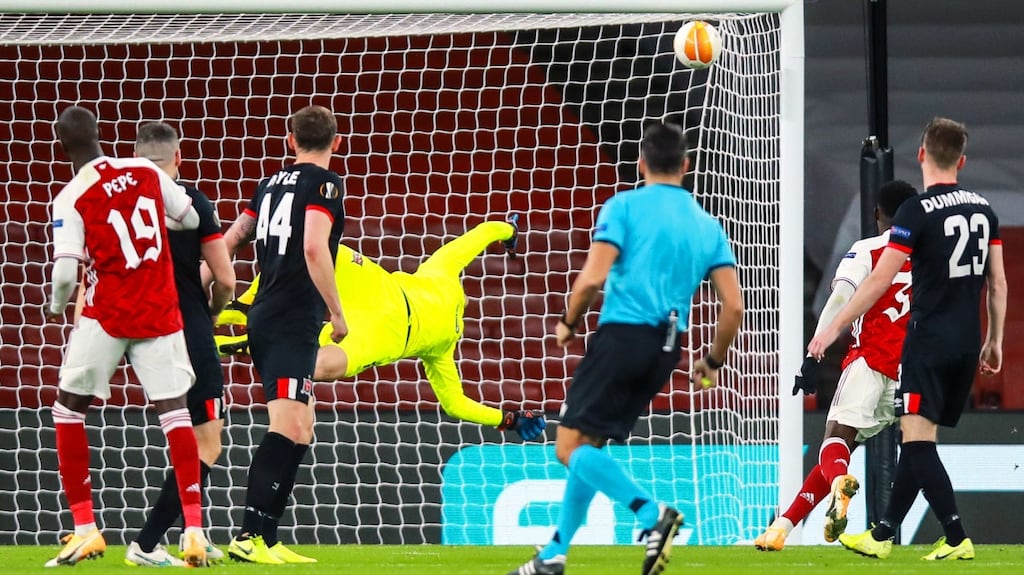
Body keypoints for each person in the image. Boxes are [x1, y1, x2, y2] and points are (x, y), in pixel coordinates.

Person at [508, 122, 744, 575]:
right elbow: (732, 307)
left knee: (567, 447)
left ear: (641, 163)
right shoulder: (707, 225)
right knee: (588, 444)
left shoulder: (625, 206)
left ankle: (651, 514)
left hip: (623, 337)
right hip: (667, 350)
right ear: (686, 166)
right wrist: (711, 361)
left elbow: (592, 278)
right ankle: (554, 554)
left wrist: (568, 321)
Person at [809, 117, 1006, 561]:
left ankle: (931, 536)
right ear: (963, 159)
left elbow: (879, 279)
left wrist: (836, 324)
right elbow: (998, 284)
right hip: (966, 344)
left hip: (925, 343)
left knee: (916, 445)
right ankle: (907, 535)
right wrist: (994, 341)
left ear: (921, 155)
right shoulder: (983, 210)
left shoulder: (917, 211)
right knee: (919, 442)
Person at [214, 218, 547, 452]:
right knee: (313, 366)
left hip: (375, 290)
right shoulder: (445, 347)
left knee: (325, 250)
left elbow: (480, 233)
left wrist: (510, 230)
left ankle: (243, 305)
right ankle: (235, 343)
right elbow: (456, 405)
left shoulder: (442, 272)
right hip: (380, 337)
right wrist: (507, 419)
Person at [43, 107, 209, 567]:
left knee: (68, 408)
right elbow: (191, 218)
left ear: (63, 148)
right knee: (175, 413)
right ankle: (193, 530)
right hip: (160, 308)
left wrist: (55, 307)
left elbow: (63, 275)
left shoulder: (71, 196)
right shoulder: (142, 169)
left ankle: (85, 529)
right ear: (102, 135)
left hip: (109, 313)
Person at [755, 180, 918, 551]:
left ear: (878, 213)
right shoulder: (927, 255)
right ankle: (782, 526)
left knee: (834, 440)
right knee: (846, 447)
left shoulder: (869, 250)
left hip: (870, 360)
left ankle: (837, 486)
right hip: (911, 370)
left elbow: (842, 296)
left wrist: (816, 352)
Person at [220, 105, 349, 565]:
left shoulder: (269, 183)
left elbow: (234, 236)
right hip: (291, 317)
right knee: (287, 425)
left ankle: (268, 537)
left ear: (290, 141)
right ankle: (247, 536)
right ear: (338, 142)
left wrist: (199, 284)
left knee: (303, 426)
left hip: (272, 313)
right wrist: (337, 312)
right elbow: (315, 246)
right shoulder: (327, 184)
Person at [120, 122, 236, 566]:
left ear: (134, 158)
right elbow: (225, 278)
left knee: (180, 433)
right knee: (207, 442)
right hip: (187, 327)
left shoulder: (120, 203)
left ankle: (194, 529)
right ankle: (146, 544)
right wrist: (214, 308)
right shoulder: (192, 202)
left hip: (139, 332)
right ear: (179, 158)